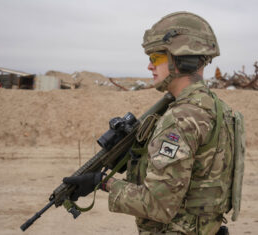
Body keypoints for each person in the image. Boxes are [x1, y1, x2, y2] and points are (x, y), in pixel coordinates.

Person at [64, 12, 239, 235]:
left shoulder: (179, 118)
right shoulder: (217, 108)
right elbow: (198, 175)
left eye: (155, 58)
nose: (149, 66)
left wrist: (102, 182)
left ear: (182, 59)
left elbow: (157, 205)